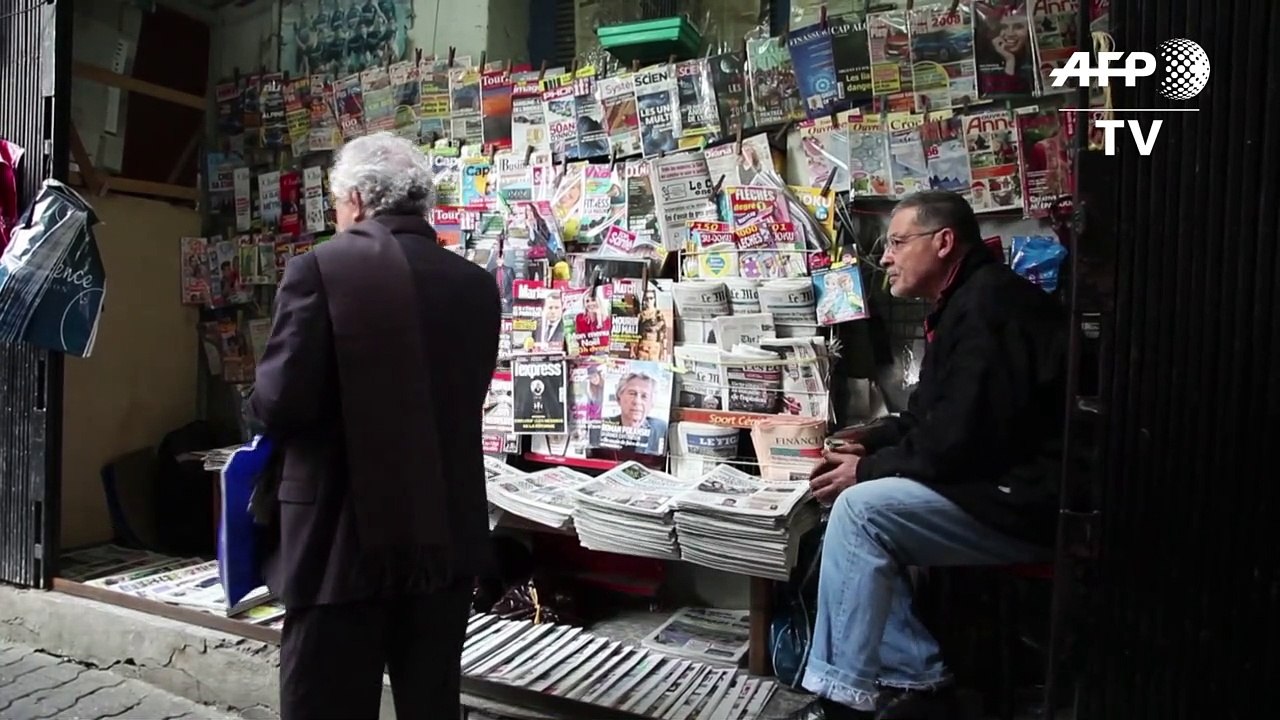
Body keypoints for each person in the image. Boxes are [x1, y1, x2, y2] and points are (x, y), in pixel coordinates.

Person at [250, 132, 501, 720]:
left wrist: (253, 405)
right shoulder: (475, 286)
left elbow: (280, 401)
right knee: (430, 701)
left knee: (326, 703)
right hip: (444, 538)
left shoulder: (320, 270)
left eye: (337, 205)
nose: (338, 218)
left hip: (340, 543)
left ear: (358, 200)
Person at [790, 191, 1066, 720]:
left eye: (896, 242)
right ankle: (916, 677)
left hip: (1026, 503)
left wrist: (866, 471)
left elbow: (960, 443)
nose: (886, 257)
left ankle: (842, 698)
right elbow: (934, 420)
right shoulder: (967, 300)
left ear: (942, 243)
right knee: (847, 504)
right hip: (995, 487)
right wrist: (869, 441)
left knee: (861, 510)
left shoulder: (989, 307)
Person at [600, 371, 668, 455]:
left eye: (644, 396)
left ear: (651, 404)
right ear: (618, 398)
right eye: (632, 393)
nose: (637, 401)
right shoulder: (601, 426)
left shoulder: (661, 429)